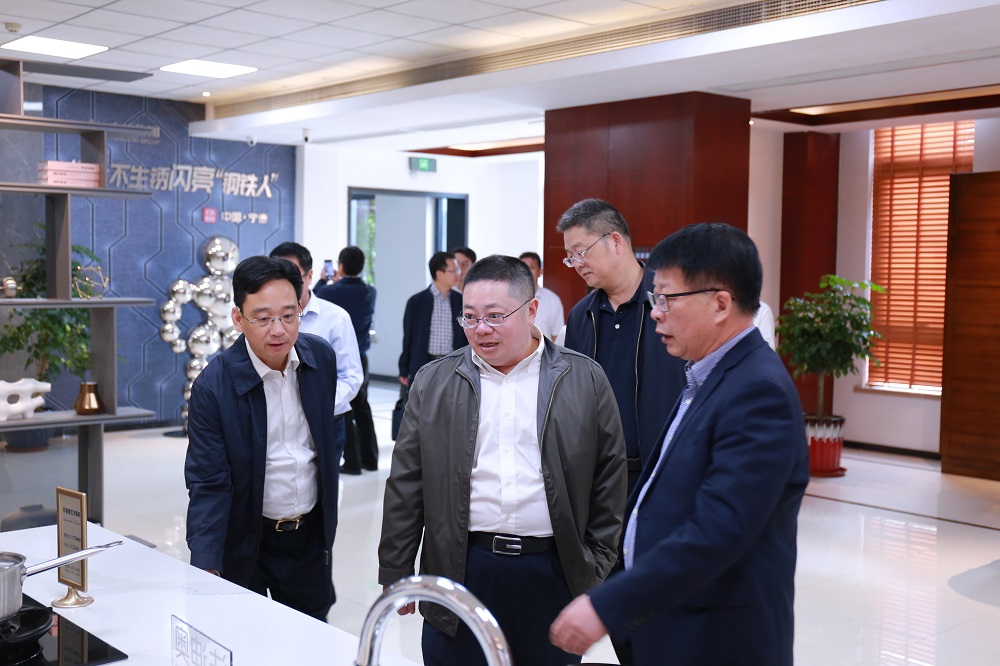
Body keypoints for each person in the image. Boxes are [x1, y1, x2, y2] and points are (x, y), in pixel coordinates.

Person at [549, 223, 810, 665]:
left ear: (720, 304)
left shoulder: (757, 392)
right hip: (674, 620)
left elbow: (719, 530)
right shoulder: (706, 375)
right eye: (656, 299)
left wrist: (607, 605)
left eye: (667, 299)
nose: (656, 313)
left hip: (717, 639)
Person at [379, 255, 626, 666]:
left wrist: (595, 567)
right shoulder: (434, 381)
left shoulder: (584, 378)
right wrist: (396, 569)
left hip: (552, 570)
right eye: (470, 317)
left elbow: (609, 479)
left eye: (495, 316)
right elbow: (407, 483)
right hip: (460, 566)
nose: (481, 329)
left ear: (531, 310)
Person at [185, 255, 343, 621]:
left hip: (309, 538)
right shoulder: (213, 386)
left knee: (311, 636)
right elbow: (209, 482)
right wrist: (206, 562)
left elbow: (327, 439)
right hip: (246, 538)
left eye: (289, 316)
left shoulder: (320, 358)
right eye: (263, 318)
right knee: (246, 636)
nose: (278, 330)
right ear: (238, 318)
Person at [558, 198, 686, 495]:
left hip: (665, 470)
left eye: (580, 252)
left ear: (615, 241)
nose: (577, 264)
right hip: (599, 477)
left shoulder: (671, 302)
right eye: (570, 258)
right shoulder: (581, 315)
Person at [269, 243, 362, 468]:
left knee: (323, 486)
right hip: (274, 421)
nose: (284, 284)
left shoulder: (336, 318)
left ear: (310, 276)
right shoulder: (263, 319)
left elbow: (350, 376)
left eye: (293, 276)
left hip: (322, 423)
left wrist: (318, 407)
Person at [315, 246, 379, 474]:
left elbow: (314, 300)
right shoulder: (370, 292)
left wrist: (323, 281)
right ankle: (370, 458)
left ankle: (351, 462)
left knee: (344, 408)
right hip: (361, 357)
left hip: (339, 358)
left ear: (340, 266)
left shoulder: (330, 291)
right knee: (363, 407)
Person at [398, 250, 466, 389]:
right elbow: (408, 337)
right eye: (453, 271)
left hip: (453, 364)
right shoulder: (417, 301)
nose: (458, 274)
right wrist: (404, 367)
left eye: (458, 270)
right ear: (439, 274)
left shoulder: (461, 300)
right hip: (424, 363)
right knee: (423, 400)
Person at [518, 251, 564, 341]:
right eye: (523, 267)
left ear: (540, 271)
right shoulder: (509, 299)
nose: (527, 271)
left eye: (531, 267)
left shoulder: (553, 300)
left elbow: (557, 337)